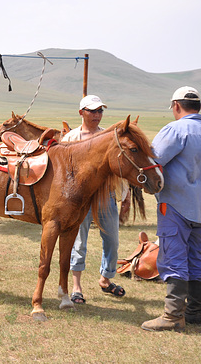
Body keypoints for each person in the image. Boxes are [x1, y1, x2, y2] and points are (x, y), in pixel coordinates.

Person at [141, 86, 201, 332]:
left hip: (175, 204)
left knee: (174, 257)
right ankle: (195, 313)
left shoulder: (176, 129)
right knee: (194, 257)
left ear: (176, 106)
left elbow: (152, 163)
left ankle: (173, 316)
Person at [62, 94, 127, 304]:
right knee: (78, 242)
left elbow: (118, 167)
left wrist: (123, 195)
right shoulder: (70, 138)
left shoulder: (108, 137)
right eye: (92, 111)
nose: (97, 115)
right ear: (81, 112)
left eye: (100, 111)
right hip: (79, 198)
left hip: (105, 196)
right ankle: (76, 287)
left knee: (113, 240)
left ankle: (105, 279)